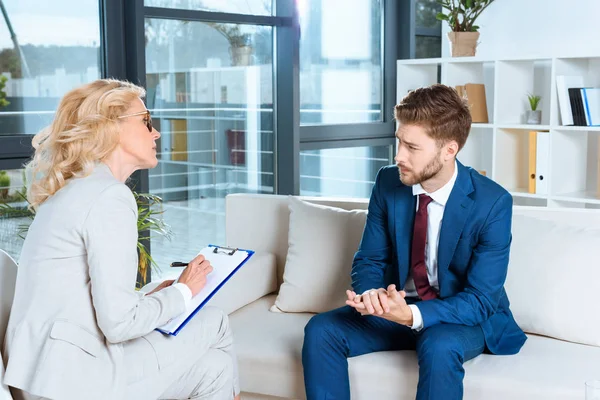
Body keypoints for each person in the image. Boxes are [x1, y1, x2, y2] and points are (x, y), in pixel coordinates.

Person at [2, 79, 241, 400]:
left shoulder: (74, 190)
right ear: (112, 128)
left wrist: (151, 296)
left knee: (215, 368)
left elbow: (87, 300)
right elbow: (119, 325)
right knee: (216, 321)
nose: (156, 133)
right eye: (146, 122)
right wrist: (185, 292)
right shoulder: (109, 196)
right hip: (78, 381)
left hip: (42, 378)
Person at [302, 83, 527, 399]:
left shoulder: (492, 203)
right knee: (322, 330)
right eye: (399, 142)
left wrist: (411, 316)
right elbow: (371, 258)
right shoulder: (388, 182)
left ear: (449, 150)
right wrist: (373, 295)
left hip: (459, 318)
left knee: (439, 345)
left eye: (412, 147)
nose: (399, 156)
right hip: (398, 308)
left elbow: (480, 300)